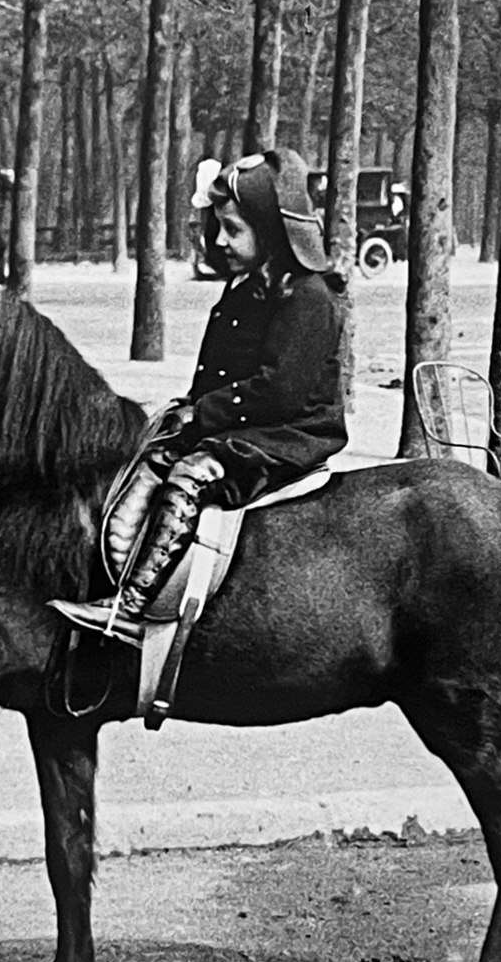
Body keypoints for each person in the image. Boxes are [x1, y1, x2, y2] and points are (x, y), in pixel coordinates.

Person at [51, 149, 347, 644]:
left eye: (234, 230)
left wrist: (203, 415)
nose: (220, 241)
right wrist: (185, 412)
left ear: (272, 231)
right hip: (248, 425)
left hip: (290, 433)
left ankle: (134, 605)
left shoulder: (308, 296)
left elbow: (280, 392)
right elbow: (218, 372)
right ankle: (107, 571)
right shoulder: (248, 287)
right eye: (219, 228)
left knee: (192, 475)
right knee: (150, 454)